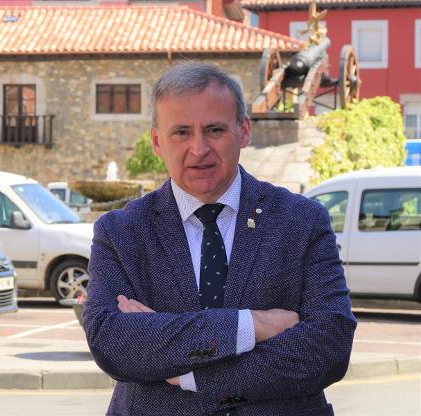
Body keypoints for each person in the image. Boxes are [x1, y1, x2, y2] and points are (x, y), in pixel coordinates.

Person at [82, 62, 356, 416]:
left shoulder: (301, 221)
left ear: (243, 131)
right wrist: (251, 325)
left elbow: (329, 345)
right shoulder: (121, 232)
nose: (199, 149)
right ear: (156, 141)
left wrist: (189, 374)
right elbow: (111, 342)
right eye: (181, 132)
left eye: (214, 129)